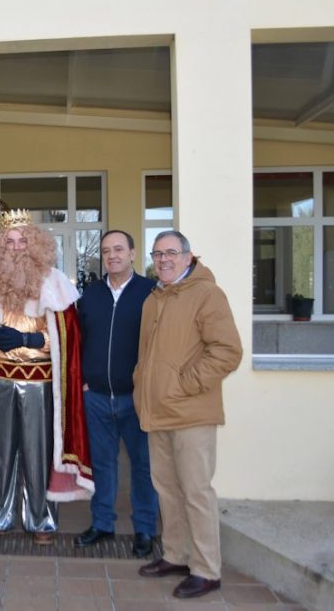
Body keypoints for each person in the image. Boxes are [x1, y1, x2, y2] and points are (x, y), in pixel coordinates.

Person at [0, 209, 94, 545]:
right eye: (10, 242)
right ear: (0, 247)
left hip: (39, 382)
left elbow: (68, 336)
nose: (16, 247)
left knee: (37, 449)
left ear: (35, 244)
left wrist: (31, 340)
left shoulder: (54, 281)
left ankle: (41, 519)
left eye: (23, 240)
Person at [134, 230, 242, 599]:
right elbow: (146, 356)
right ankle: (177, 555)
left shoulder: (206, 294)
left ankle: (207, 569)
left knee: (196, 491)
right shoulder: (154, 299)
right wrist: (141, 386)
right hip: (157, 412)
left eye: (170, 253)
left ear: (187, 256)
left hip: (192, 413)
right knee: (168, 490)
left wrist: (185, 384)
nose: (163, 260)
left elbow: (228, 351)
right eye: (157, 254)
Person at [76, 230, 158, 557]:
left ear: (133, 254)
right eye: (107, 250)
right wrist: (83, 380)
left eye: (119, 249)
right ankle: (103, 524)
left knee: (143, 466)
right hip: (95, 397)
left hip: (136, 398)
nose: (113, 255)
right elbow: (78, 341)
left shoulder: (152, 293)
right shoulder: (90, 294)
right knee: (103, 464)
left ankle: (145, 530)